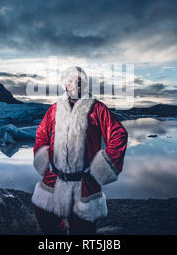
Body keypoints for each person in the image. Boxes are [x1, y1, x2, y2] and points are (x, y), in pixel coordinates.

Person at [31, 66, 128, 234]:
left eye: (78, 81)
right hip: (55, 177)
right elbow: (41, 134)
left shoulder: (97, 109)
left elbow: (118, 134)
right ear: (65, 85)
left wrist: (101, 168)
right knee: (45, 216)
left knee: (83, 229)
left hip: (85, 181)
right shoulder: (54, 109)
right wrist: (44, 163)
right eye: (70, 81)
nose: (74, 85)